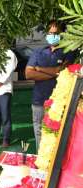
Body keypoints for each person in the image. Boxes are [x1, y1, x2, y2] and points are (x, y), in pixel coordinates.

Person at [25, 20, 75, 151]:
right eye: (50, 33)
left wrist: (40, 69)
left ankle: (54, 164)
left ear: (62, 34)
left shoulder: (68, 52)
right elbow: (29, 74)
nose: (52, 35)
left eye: (56, 33)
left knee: (58, 133)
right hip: (38, 100)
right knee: (39, 131)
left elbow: (63, 72)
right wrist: (55, 72)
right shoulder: (38, 52)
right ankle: (40, 162)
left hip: (58, 101)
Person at [0, 49, 18, 148]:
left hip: (4, 89)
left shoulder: (9, 53)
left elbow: (9, 71)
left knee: (5, 116)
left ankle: (6, 139)